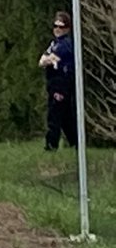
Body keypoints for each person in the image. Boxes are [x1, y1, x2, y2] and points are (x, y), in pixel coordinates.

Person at [39, 11, 77, 151]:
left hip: (61, 83)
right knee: (66, 116)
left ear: (67, 28)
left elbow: (51, 58)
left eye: (61, 27)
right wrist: (49, 59)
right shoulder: (54, 43)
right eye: (55, 26)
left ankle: (51, 145)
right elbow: (42, 61)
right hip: (53, 82)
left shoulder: (65, 44)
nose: (57, 29)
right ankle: (75, 143)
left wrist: (49, 60)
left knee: (55, 114)